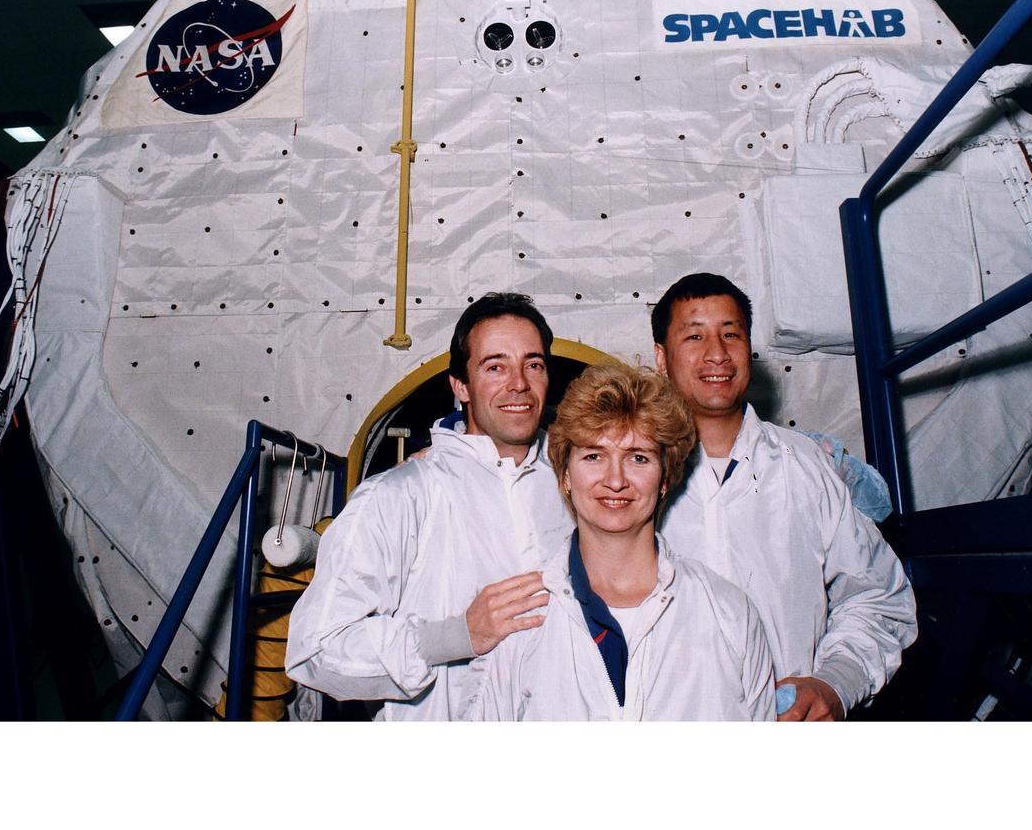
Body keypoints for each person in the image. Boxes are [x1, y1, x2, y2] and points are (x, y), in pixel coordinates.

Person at [285, 292, 573, 719]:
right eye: (495, 367)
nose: (519, 384)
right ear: (461, 386)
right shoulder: (397, 496)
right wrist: (455, 636)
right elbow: (317, 649)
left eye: (533, 365)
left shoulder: (579, 487)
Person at [652, 272, 917, 721]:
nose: (717, 354)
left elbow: (878, 596)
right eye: (694, 336)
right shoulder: (628, 474)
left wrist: (836, 682)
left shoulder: (808, 466)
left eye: (731, 334)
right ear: (661, 357)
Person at [463, 363, 776, 721]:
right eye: (594, 456)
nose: (615, 481)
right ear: (565, 475)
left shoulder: (728, 611)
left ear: (665, 477)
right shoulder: (523, 618)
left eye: (638, 458)